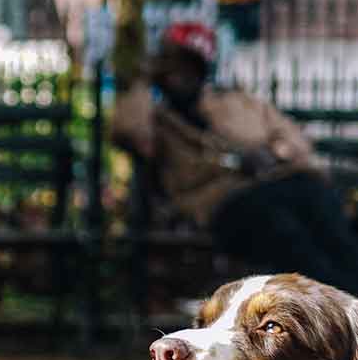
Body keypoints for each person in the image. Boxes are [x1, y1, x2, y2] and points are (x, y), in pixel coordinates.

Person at [113, 20, 358, 292]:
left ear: (202, 69)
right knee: (281, 229)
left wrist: (273, 153)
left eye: (188, 66)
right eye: (172, 64)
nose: (180, 74)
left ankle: (348, 300)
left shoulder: (236, 103)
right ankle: (337, 301)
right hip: (221, 201)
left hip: (276, 180)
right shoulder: (156, 119)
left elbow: (293, 139)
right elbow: (127, 130)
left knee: (321, 204)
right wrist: (144, 81)